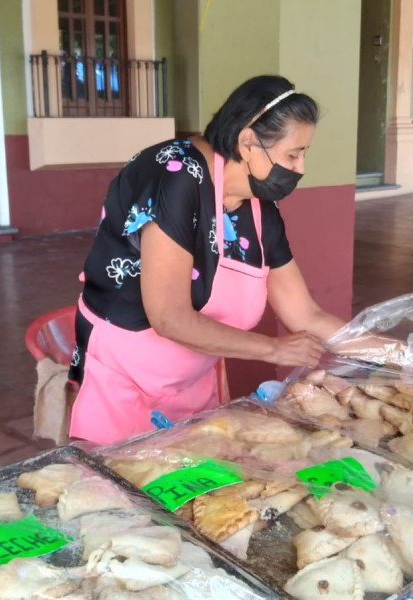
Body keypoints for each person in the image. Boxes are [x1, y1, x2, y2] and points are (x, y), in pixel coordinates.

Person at [68, 74, 346, 445]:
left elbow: (306, 315)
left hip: (190, 379)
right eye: (292, 154)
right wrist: (273, 349)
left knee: (194, 490)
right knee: (125, 489)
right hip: (124, 377)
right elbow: (170, 318)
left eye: (303, 154)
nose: (300, 168)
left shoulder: (260, 207)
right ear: (247, 142)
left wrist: (406, 357)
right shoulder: (177, 176)